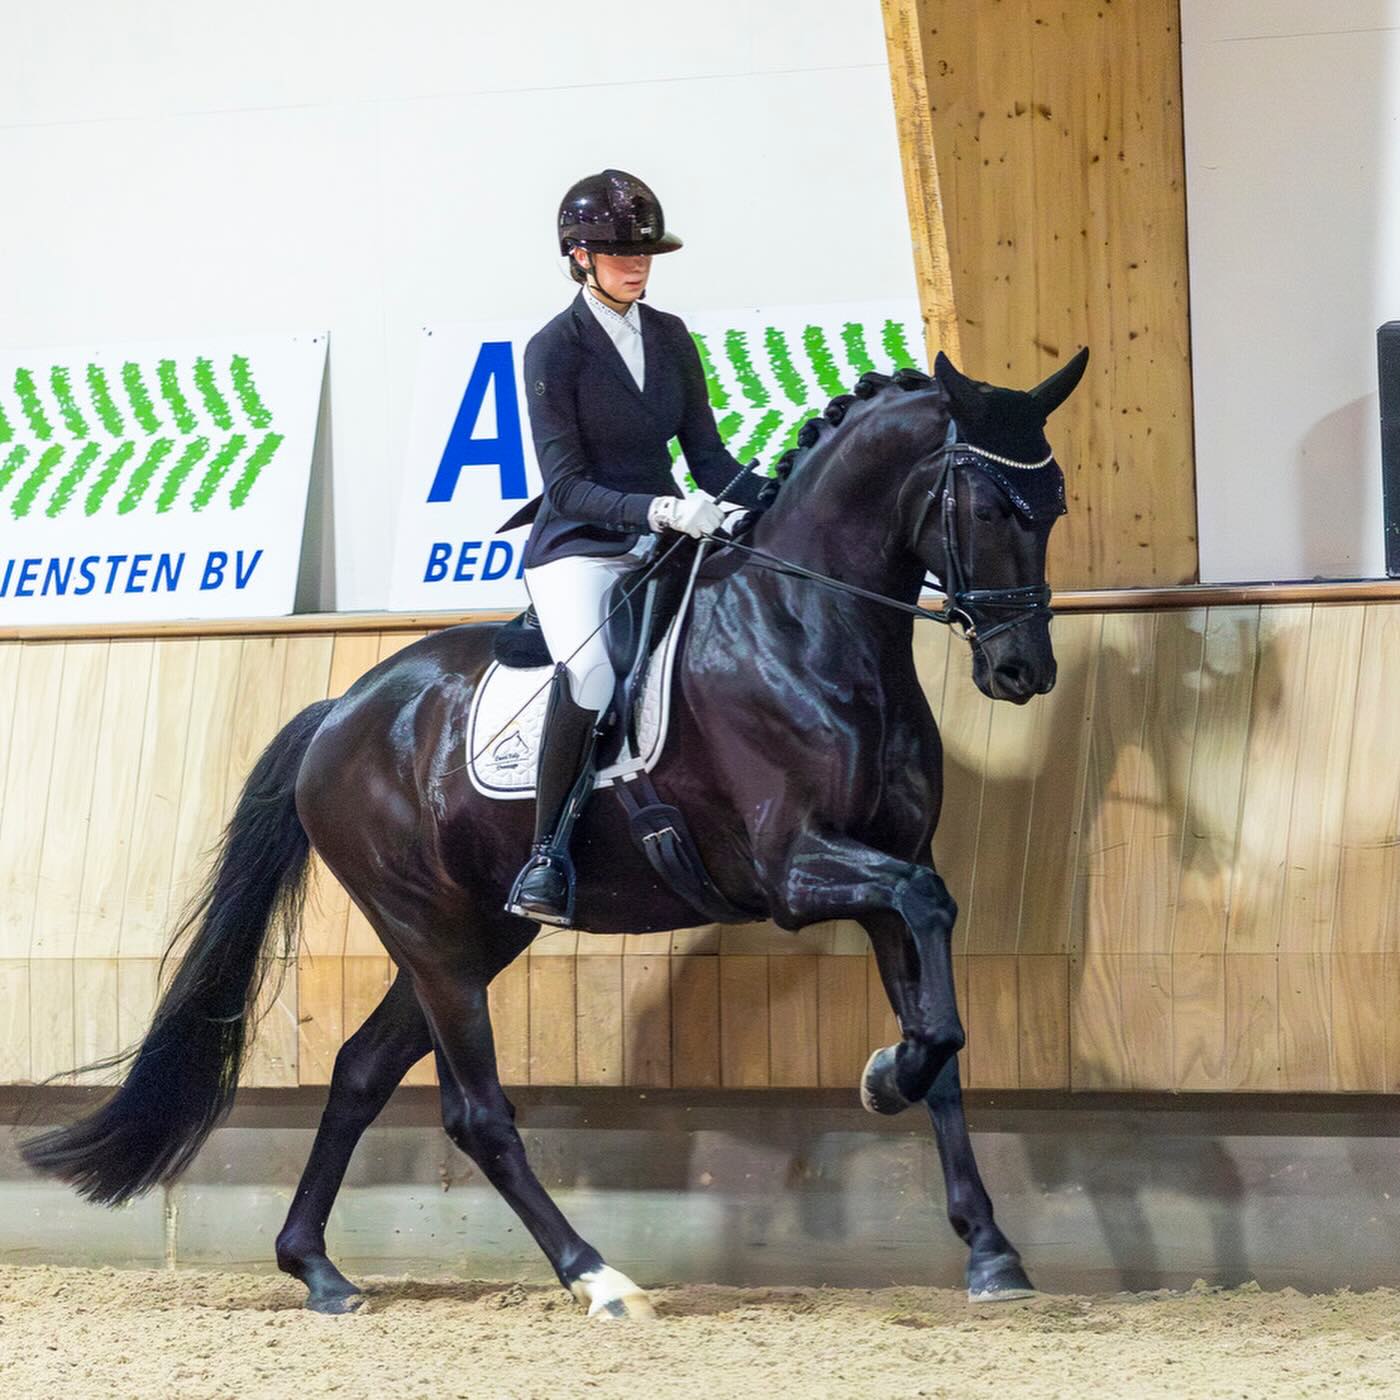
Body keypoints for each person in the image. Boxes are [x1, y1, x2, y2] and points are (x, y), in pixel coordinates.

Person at [503, 168, 766, 927]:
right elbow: (566, 484)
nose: (638, 263)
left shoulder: (671, 336)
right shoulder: (554, 349)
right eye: (619, 251)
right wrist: (660, 508)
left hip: (665, 537)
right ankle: (547, 855)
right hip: (580, 545)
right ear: (579, 256)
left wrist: (781, 502)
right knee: (587, 670)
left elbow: (711, 460)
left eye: (645, 251)